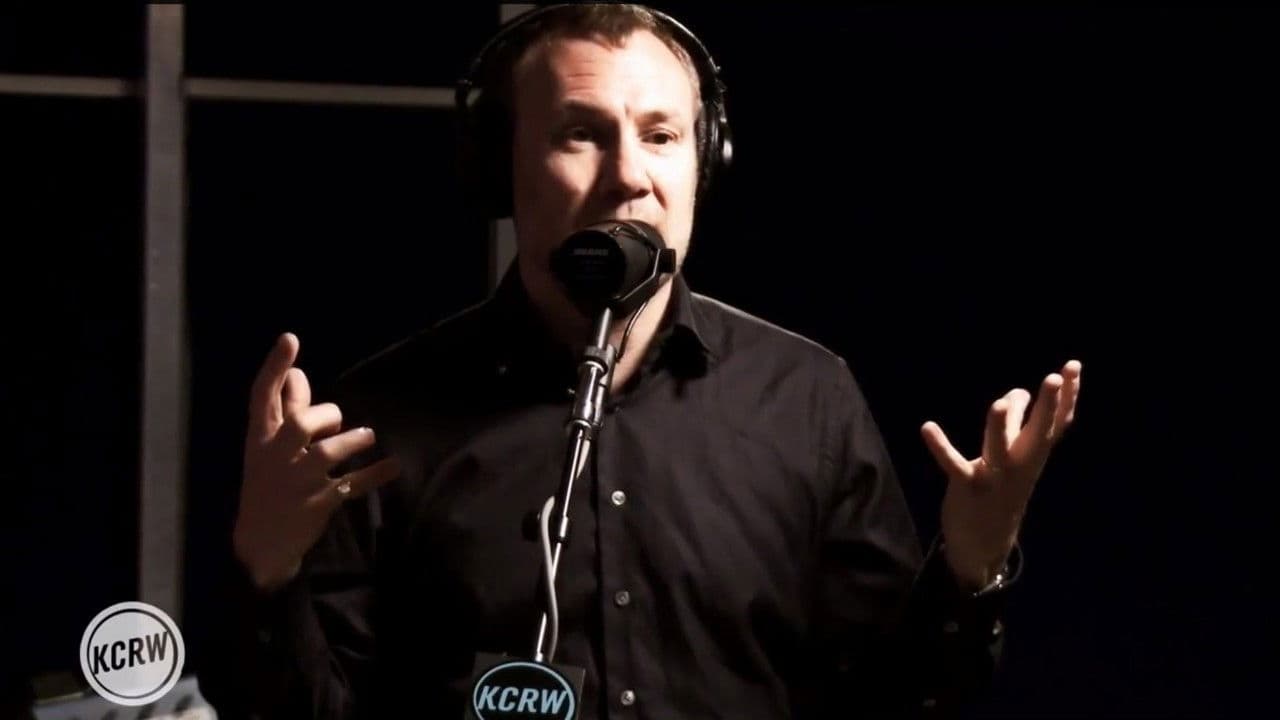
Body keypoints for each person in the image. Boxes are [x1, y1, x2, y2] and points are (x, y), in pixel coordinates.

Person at [200, 4, 1083, 719]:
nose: (629, 176)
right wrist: (265, 571)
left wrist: (971, 569)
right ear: (500, 168)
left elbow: (901, 701)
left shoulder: (806, 399)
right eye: (580, 134)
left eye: (661, 136)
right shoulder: (383, 417)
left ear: (705, 162)